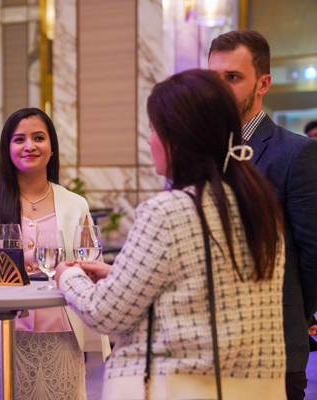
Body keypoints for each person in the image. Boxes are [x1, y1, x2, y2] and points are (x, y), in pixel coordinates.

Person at [56, 69, 286, 400]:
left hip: (177, 387)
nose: (149, 141)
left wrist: (67, 276)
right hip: (255, 387)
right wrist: (119, 275)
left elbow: (104, 313)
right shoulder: (260, 205)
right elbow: (209, 288)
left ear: (177, 139)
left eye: (153, 129)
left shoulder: (165, 211)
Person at [0, 107, 110, 400]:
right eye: (19, 139)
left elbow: (89, 262)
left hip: (59, 334)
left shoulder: (74, 203)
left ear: (52, 148)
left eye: (39, 138)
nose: (29, 146)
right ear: (7, 148)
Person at [208, 29, 317, 400]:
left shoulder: (296, 153)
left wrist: (294, 313)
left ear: (263, 84)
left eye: (232, 77)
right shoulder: (197, 154)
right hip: (206, 350)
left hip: (273, 346)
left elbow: (313, 254)